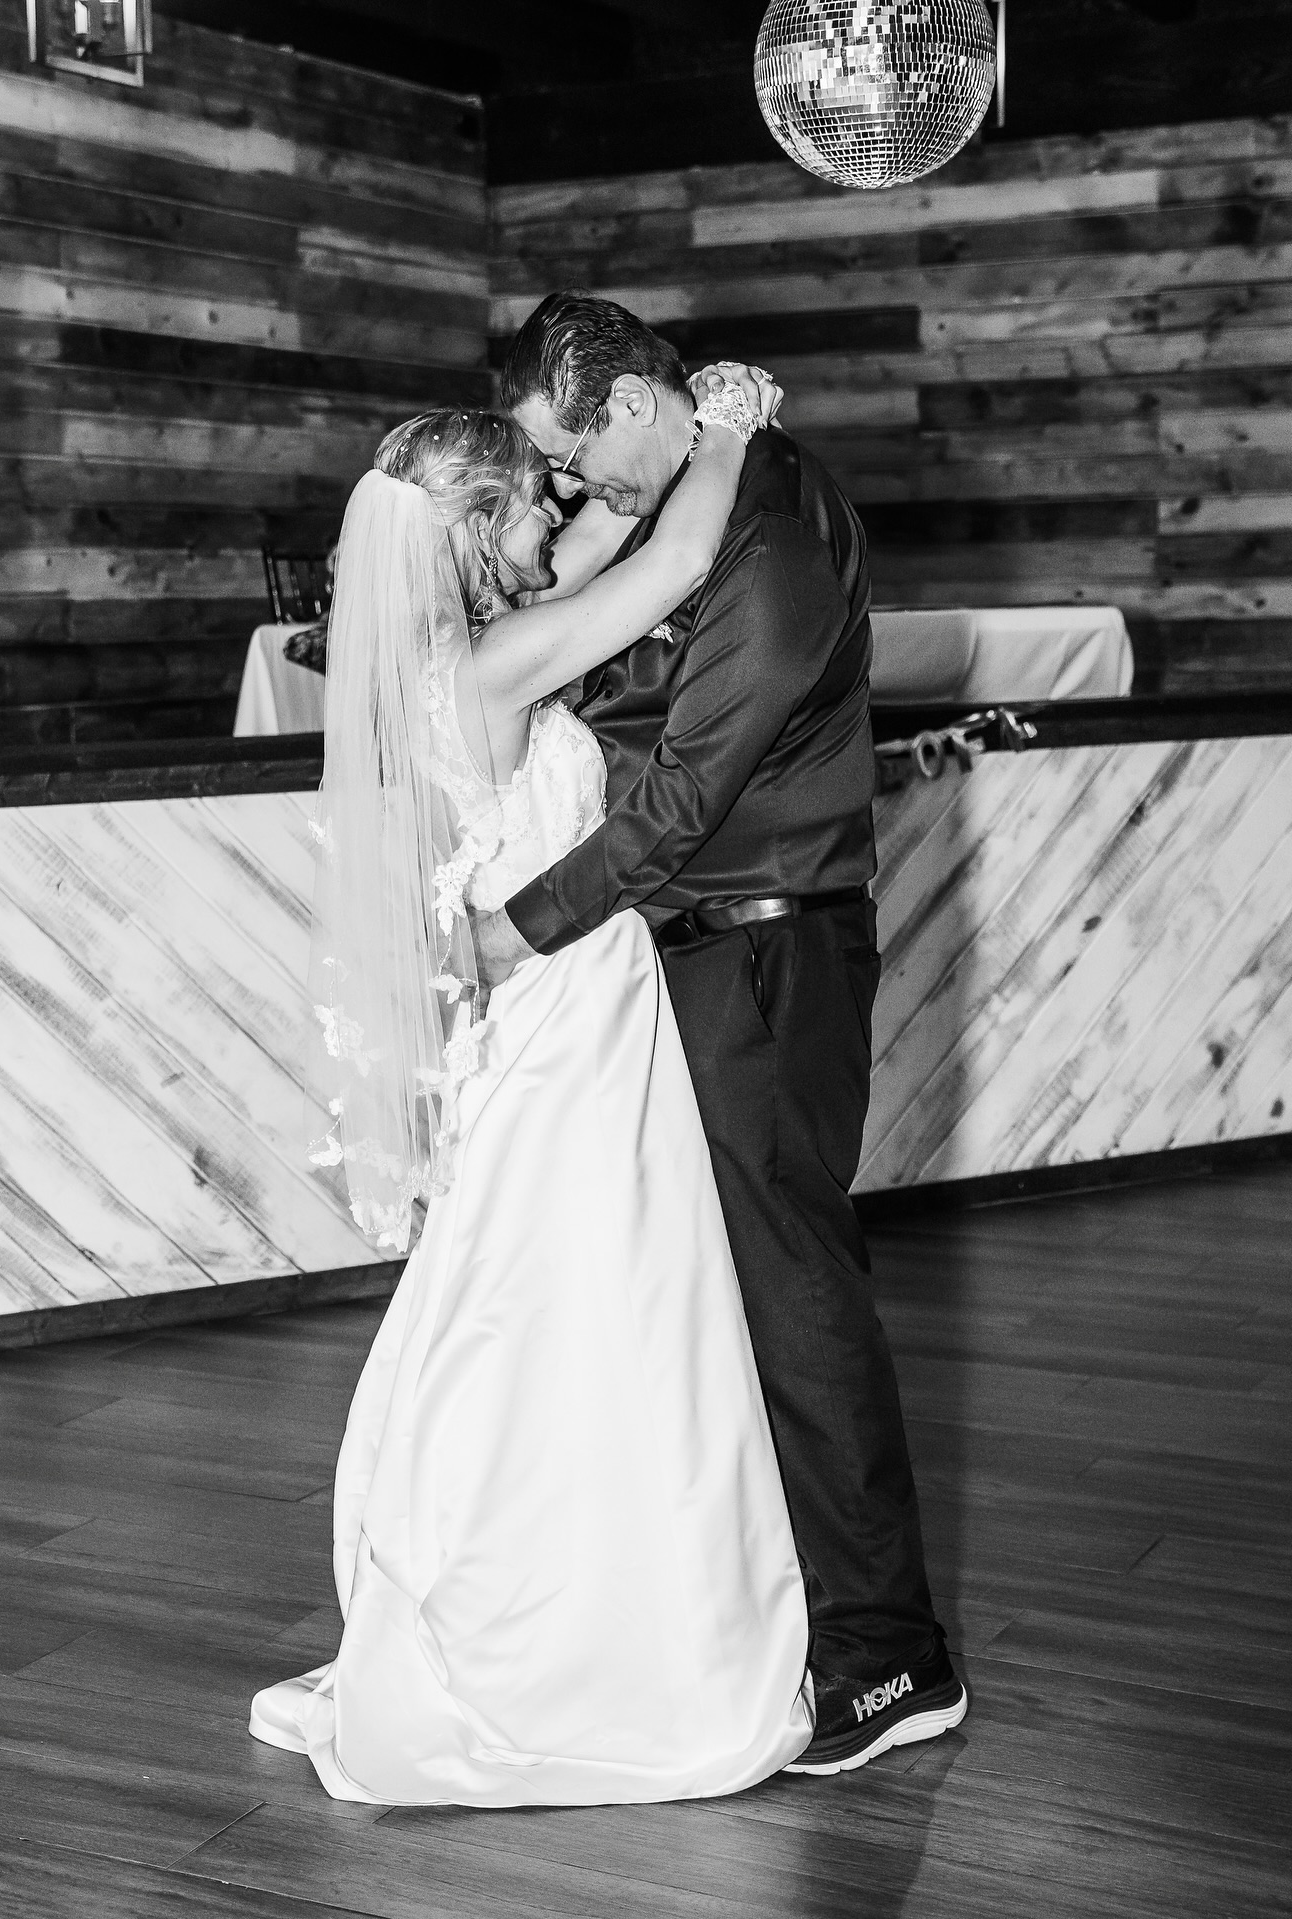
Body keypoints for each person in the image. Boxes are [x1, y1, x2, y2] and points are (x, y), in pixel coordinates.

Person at [249, 367, 817, 1806]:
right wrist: (734, 431)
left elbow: (588, 558)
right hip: (569, 1021)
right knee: (597, 1304)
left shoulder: (460, 652)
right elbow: (678, 554)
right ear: (476, 529)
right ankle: (583, 1641)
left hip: (556, 1012)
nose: (561, 511)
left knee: (542, 1293)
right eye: (533, 500)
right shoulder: (494, 671)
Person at [475, 291, 967, 1776]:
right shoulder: (700, 490)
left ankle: (889, 1658)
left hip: (768, 957)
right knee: (730, 1302)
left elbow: (688, 803)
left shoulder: (768, 540)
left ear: (633, 401)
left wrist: (507, 933)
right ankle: (789, 1614)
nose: (578, 488)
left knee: (796, 1293)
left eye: (582, 453)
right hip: (701, 954)